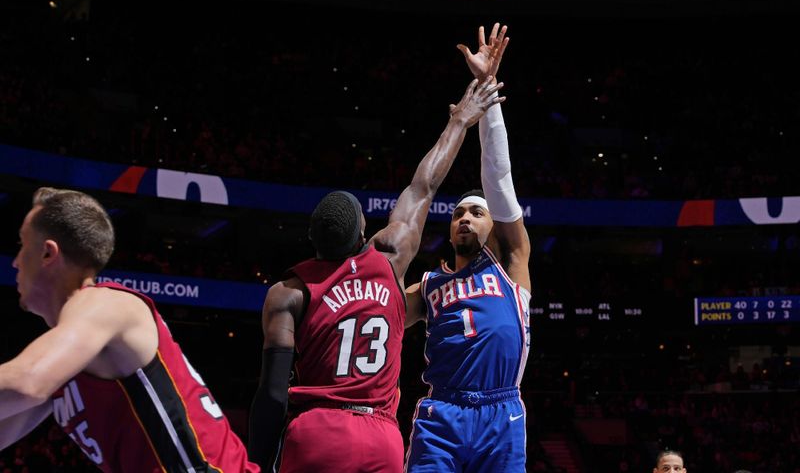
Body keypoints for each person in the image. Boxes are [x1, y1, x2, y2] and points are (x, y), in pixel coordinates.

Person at [247, 73, 505, 473]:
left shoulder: (288, 293)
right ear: (363, 234)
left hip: (318, 430)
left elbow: (272, 394)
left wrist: (259, 462)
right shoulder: (388, 257)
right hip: (380, 437)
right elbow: (424, 186)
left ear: (313, 240)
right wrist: (459, 121)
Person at [0, 187, 258, 472]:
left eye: (22, 245)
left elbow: (26, 382)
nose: (15, 261)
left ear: (48, 252)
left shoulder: (107, 304)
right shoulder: (68, 359)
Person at [405, 23, 531, 472]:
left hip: (502, 411)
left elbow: (498, 180)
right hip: (443, 413)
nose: (465, 218)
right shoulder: (430, 284)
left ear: (493, 225)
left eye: (476, 213)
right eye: (459, 212)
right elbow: (379, 314)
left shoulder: (511, 266)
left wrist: (486, 90)